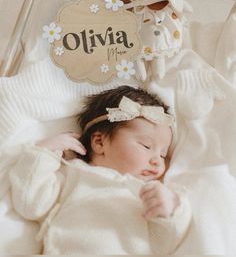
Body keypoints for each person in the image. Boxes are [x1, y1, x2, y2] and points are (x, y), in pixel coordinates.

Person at [9, 85, 191, 255]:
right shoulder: (74, 174)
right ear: (99, 142)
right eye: (146, 146)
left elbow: (165, 246)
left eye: (162, 154)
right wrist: (43, 153)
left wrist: (170, 210)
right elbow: (30, 204)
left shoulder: (148, 194)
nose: (157, 162)